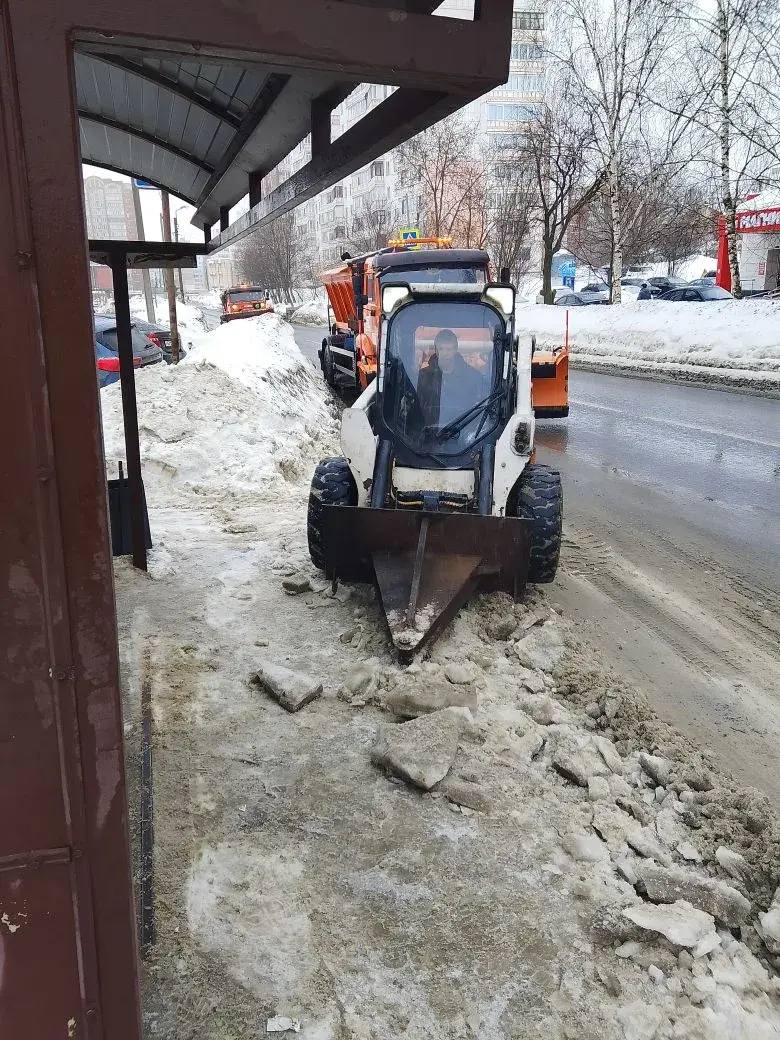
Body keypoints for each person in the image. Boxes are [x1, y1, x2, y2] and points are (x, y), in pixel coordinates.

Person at [416, 328, 485, 430]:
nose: (445, 353)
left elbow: (478, 409)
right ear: (436, 349)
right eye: (441, 349)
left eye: (449, 349)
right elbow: (417, 407)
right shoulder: (423, 376)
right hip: (428, 431)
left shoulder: (473, 377)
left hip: (463, 433)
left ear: (455, 349)